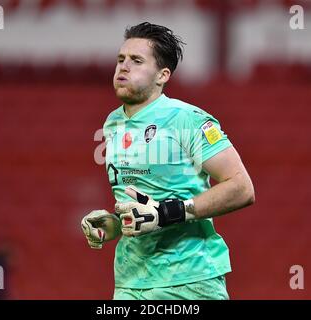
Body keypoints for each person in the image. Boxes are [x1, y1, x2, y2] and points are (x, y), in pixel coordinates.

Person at [81, 22, 255, 300]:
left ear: (163, 75)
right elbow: (143, 206)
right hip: (130, 282)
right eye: (121, 59)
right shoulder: (112, 123)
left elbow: (242, 188)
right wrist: (114, 224)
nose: (123, 67)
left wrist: (166, 213)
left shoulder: (188, 119)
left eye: (136, 61)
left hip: (191, 280)